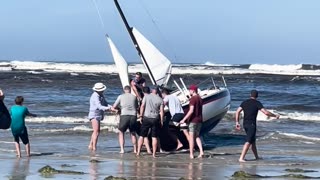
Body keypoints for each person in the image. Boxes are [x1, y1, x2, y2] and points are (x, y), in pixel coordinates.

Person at [235, 90, 280, 162]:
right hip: (251, 125)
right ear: (257, 96)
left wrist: (237, 122)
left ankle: (256, 157)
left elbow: (237, 111)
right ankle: (241, 158)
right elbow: (266, 112)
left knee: (253, 141)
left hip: (245, 124)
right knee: (249, 141)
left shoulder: (245, 102)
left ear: (250, 95)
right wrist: (275, 116)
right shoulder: (257, 103)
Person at [137, 86, 164, 158]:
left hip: (146, 118)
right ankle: (154, 154)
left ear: (152, 90)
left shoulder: (147, 96)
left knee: (142, 135)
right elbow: (162, 111)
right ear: (157, 91)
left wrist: (140, 116)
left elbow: (142, 106)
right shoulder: (160, 99)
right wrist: (161, 120)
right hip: (155, 118)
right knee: (154, 137)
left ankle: (138, 152)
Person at [112, 85, 139, 154]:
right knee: (133, 133)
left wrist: (118, 109)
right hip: (133, 115)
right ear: (130, 90)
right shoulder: (134, 97)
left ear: (124, 90)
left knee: (121, 132)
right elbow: (136, 107)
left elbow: (114, 106)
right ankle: (135, 149)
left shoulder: (120, 96)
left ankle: (122, 149)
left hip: (124, 115)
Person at [180, 85, 204, 159]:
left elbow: (191, 111)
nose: (189, 91)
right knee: (197, 136)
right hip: (200, 120)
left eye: (189, 90)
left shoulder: (193, 99)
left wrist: (184, 119)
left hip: (193, 120)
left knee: (191, 138)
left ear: (193, 91)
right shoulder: (200, 98)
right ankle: (201, 151)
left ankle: (191, 154)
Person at [88, 82, 112, 151]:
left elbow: (105, 103)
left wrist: (111, 107)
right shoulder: (95, 96)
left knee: (95, 131)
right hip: (94, 115)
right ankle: (94, 147)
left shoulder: (101, 95)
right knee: (96, 132)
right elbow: (99, 106)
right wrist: (109, 109)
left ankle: (90, 145)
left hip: (98, 114)